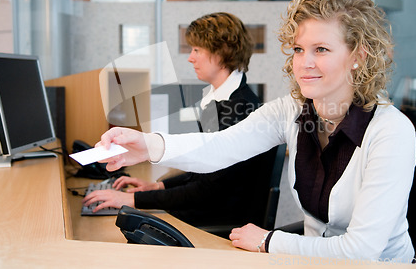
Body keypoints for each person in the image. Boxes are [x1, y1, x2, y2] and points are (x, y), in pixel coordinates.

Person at [94, 0, 416, 262]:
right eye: (298, 49)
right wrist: (148, 145)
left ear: (358, 55)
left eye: (322, 49)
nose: (304, 63)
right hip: (316, 263)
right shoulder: (291, 110)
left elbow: (361, 251)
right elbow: (219, 147)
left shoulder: (391, 131)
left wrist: (268, 241)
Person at [83, 12, 277, 235]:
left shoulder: (240, 108)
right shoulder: (222, 99)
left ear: (221, 51)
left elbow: (208, 190)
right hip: (207, 208)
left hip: (218, 220)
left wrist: (133, 199)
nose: (190, 58)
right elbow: (203, 169)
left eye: (197, 50)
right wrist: (158, 186)